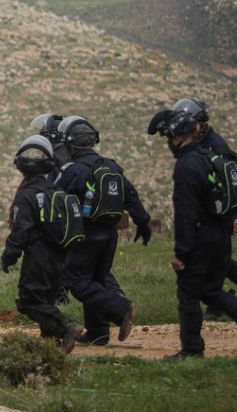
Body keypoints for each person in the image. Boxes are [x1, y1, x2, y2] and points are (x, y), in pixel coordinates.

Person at [149, 104, 237, 358]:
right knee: (211, 290)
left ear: (178, 138)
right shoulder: (209, 157)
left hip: (201, 238)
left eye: (170, 138)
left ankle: (192, 350)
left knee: (189, 294)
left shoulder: (186, 166)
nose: (169, 143)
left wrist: (182, 252)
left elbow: (186, 214)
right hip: (221, 234)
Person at [54, 116, 145, 345]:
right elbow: (131, 196)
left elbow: (53, 198)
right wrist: (143, 223)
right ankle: (98, 333)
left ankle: (121, 308)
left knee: (74, 278)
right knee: (95, 278)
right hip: (110, 234)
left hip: (86, 233)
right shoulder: (110, 166)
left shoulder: (74, 170)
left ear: (70, 145)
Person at [174, 97, 237, 313]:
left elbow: (227, 184)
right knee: (217, 258)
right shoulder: (205, 142)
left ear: (199, 124)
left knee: (209, 259)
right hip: (212, 213)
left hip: (216, 214)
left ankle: (224, 303)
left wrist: (230, 217)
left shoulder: (215, 146)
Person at [1, 136, 80, 352]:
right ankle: (50, 346)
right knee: (47, 299)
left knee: (29, 301)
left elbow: (20, 231)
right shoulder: (54, 190)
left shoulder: (26, 194)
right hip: (60, 254)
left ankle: (66, 328)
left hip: (39, 255)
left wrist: (9, 256)